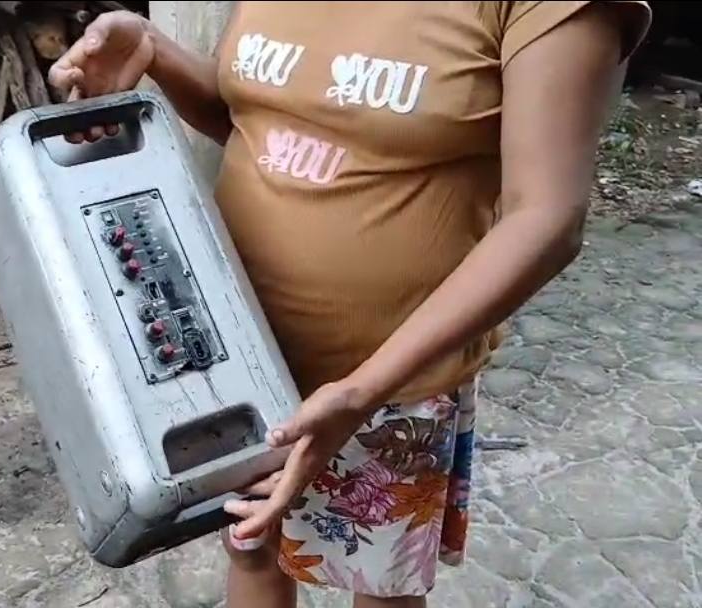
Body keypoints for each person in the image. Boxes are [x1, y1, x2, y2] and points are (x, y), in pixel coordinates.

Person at [48, 2, 652, 607]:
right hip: (242, 365)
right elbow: (256, 115)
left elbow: (547, 219)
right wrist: (154, 48)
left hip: (389, 382)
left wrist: (360, 392)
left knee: (379, 584)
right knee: (252, 547)